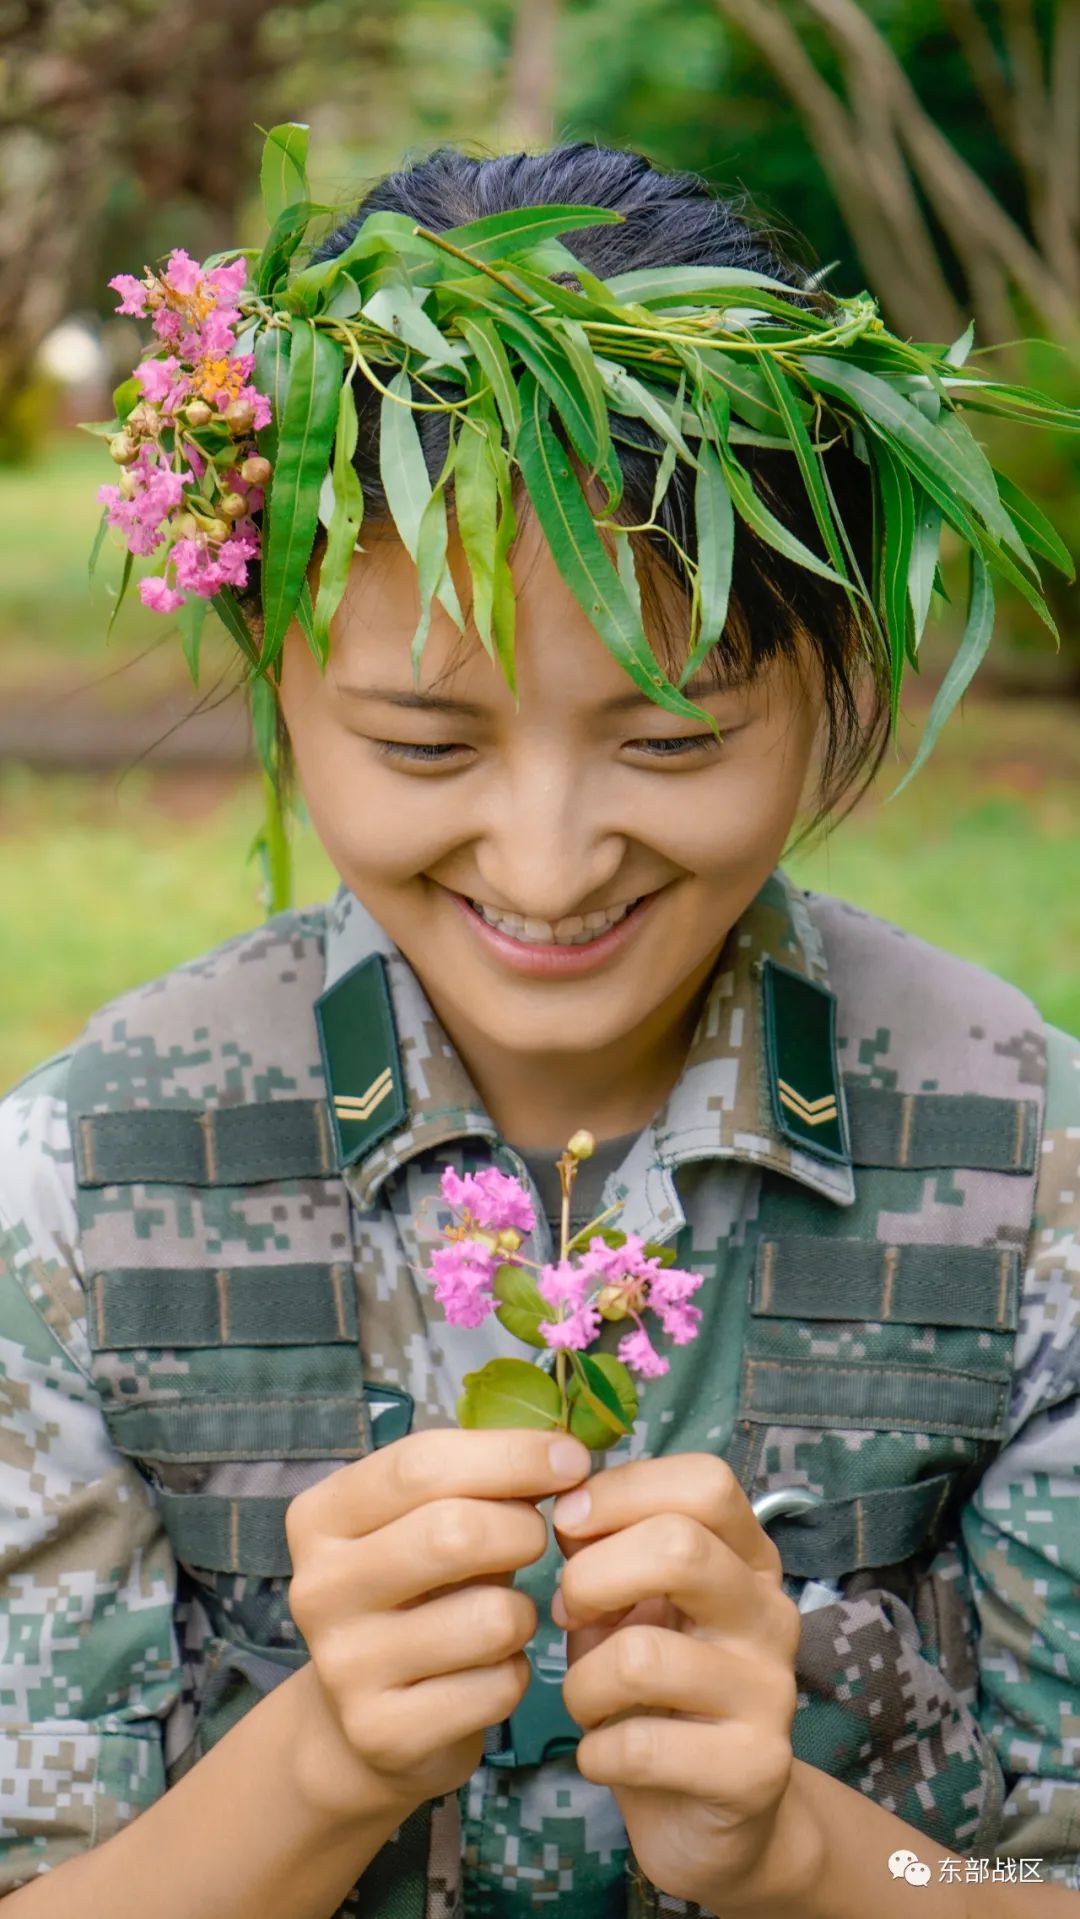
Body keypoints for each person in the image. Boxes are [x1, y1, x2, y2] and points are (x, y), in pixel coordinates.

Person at [0, 143, 1077, 1919]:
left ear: (832, 679)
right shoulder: (70, 1200)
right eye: (426, 748)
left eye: (671, 742)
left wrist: (814, 1853)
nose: (551, 863)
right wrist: (317, 1773)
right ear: (273, 665)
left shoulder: (1033, 1180)